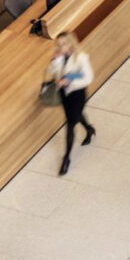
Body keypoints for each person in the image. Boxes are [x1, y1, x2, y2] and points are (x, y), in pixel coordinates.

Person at [46, 32, 94, 175]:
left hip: (77, 94)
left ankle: (66, 158)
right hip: (64, 95)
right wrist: (54, 61)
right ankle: (89, 129)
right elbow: (50, 71)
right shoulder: (59, 57)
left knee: (70, 124)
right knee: (75, 116)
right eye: (58, 44)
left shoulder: (81, 58)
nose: (60, 47)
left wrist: (69, 80)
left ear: (70, 43)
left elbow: (88, 78)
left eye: (63, 44)